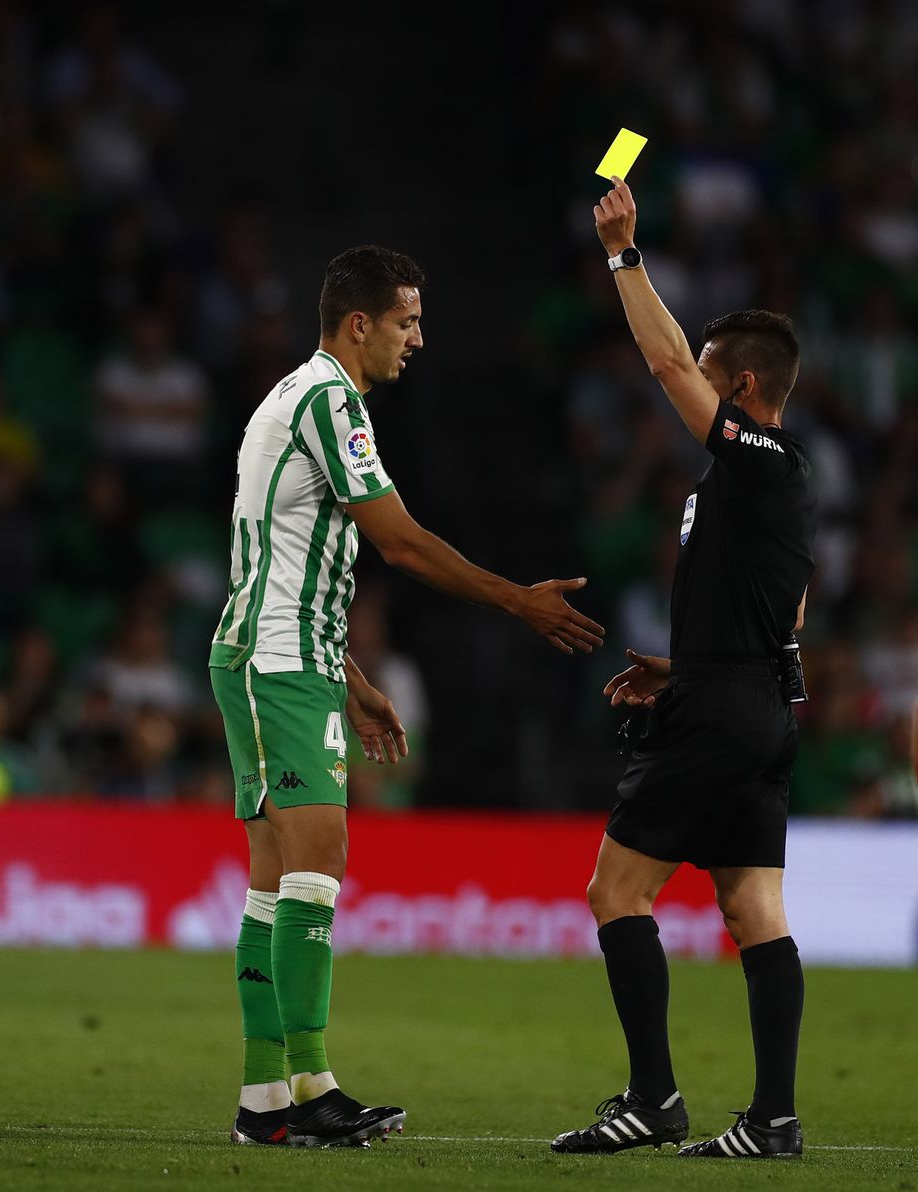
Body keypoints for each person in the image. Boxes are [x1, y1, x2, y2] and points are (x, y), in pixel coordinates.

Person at [209, 245, 605, 1148]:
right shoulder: (329, 400)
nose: (418, 339)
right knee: (315, 864)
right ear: (360, 324)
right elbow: (404, 545)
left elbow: (278, 558)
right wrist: (519, 601)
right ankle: (309, 1087)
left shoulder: (289, 396)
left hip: (285, 656)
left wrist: (348, 676)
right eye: (406, 321)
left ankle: (267, 1102)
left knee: (277, 882)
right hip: (276, 662)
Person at [551, 179, 817, 1160]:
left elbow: (663, 359)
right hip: (749, 699)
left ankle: (655, 1098)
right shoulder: (773, 483)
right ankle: (773, 1120)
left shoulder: (756, 459)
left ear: (741, 389)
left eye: (713, 377)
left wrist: (625, 256)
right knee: (751, 908)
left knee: (615, 891)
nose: (691, 385)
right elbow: (790, 602)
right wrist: (695, 666)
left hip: (725, 708)